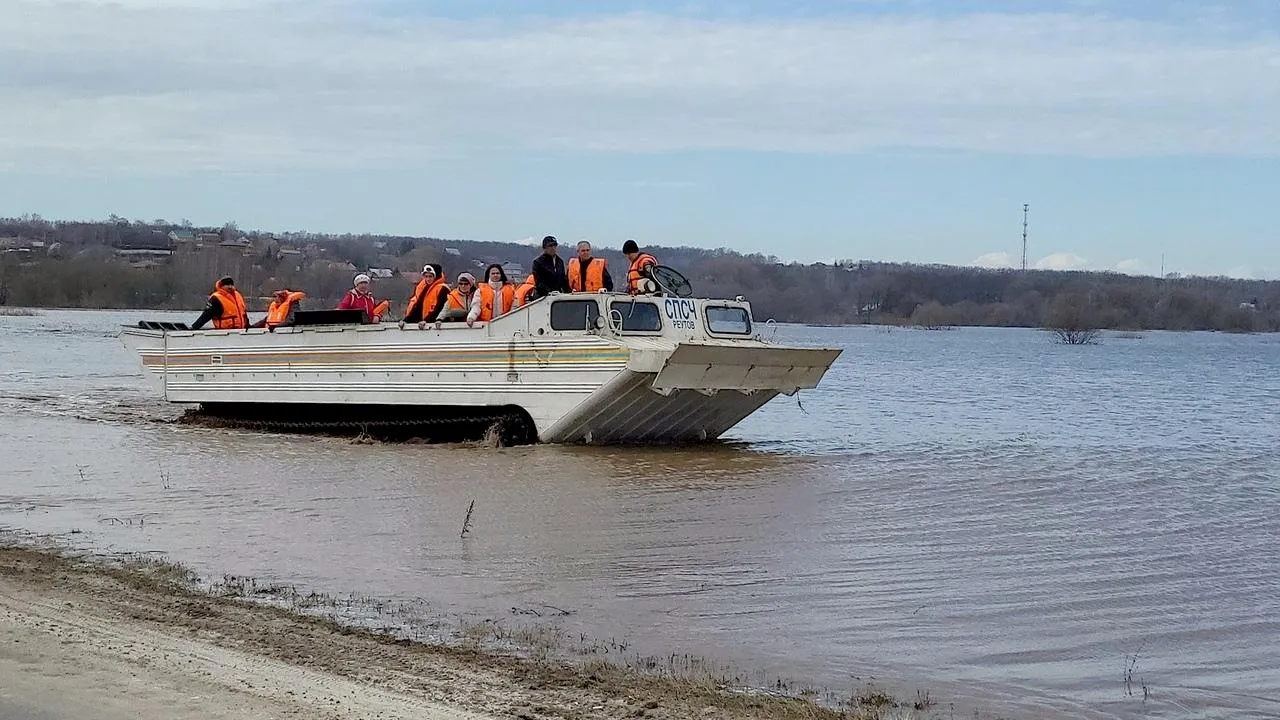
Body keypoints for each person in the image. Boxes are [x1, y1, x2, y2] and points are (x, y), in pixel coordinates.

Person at [400, 263, 449, 329]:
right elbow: (418, 307)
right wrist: (405, 320)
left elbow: (439, 309)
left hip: (438, 326)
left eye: (430, 276)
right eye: (426, 276)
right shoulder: (424, 288)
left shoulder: (443, 289)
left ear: (436, 277)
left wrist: (426, 321)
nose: (428, 279)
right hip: (425, 325)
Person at [530, 235, 570, 300]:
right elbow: (539, 282)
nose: (553, 248)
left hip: (558, 297)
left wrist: (568, 292)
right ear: (544, 248)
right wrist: (549, 292)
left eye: (555, 245)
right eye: (550, 246)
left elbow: (563, 280)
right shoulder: (538, 262)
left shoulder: (560, 261)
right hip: (542, 297)